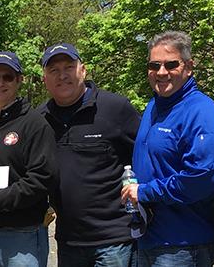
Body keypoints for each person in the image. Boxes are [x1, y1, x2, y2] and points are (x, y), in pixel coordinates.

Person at [122, 31, 214, 267]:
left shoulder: (201, 110)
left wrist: (146, 192)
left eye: (171, 64)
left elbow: (203, 175)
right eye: (154, 65)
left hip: (184, 245)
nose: (161, 72)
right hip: (150, 240)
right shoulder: (154, 105)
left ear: (188, 66)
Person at [37, 43, 140, 267]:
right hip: (68, 241)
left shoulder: (115, 108)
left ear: (83, 70)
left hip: (114, 241)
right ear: (44, 78)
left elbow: (145, 157)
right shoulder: (40, 119)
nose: (62, 76)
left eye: (69, 67)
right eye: (53, 70)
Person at [0, 51, 56, 267]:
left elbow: (43, 178)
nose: (0, 82)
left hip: (21, 234)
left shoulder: (34, 123)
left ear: (19, 80)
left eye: (7, 77)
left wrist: (1, 198)